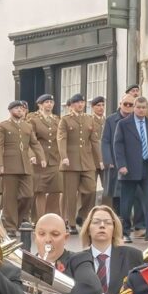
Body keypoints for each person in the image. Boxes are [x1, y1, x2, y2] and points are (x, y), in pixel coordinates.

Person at [115, 97, 148, 243]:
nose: (141, 110)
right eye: (138, 107)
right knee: (127, 201)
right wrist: (121, 165)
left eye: (144, 107)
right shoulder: (124, 124)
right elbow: (118, 146)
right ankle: (124, 232)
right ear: (134, 108)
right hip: (129, 168)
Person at [0, 100, 44, 238]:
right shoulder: (3, 126)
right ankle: (10, 226)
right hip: (9, 165)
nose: (20, 110)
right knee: (9, 197)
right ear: (10, 110)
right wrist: (0, 164)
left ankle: (16, 219)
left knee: (28, 195)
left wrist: (42, 158)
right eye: (16, 108)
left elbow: (35, 143)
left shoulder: (27, 126)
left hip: (25, 165)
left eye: (21, 108)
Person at [57, 94, 102, 232]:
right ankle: (70, 223)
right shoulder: (65, 120)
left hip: (87, 161)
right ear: (71, 106)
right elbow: (61, 139)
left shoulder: (89, 119)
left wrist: (99, 159)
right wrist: (64, 156)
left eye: (82, 102)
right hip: (70, 161)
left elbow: (94, 141)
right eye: (77, 103)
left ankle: (82, 216)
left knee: (91, 189)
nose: (80, 105)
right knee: (71, 194)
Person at [29, 95, 63, 222]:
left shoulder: (57, 120)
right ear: (40, 105)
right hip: (39, 160)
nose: (49, 104)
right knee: (40, 191)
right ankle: (39, 220)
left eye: (51, 102)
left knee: (56, 189)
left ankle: (51, 218)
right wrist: (32, 155)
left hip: (55, 158)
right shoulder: (33, 120)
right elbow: (30, 141)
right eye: (46, 102)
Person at [102, 94, 137, 211]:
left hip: (133, 161)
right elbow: (105, 141)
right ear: (120, 104)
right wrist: (108, 160)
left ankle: (131, 221)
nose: (127, 106)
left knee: (133, 192)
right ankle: (118, 219)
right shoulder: (110, 120)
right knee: (117, 193)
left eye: (130, 104)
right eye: (125, 104)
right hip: (116, 162)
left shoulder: (138, 119)